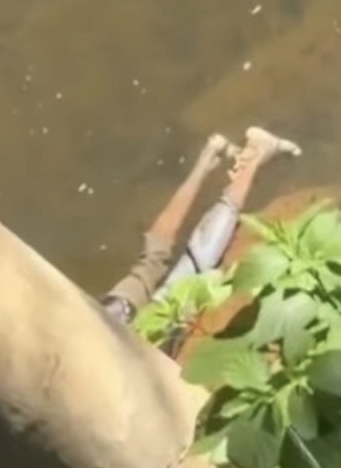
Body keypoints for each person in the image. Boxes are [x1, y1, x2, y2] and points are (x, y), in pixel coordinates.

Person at [102, 126, 302, 325]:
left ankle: (258, 152)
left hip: (126, 331)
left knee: (197, 264)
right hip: (111, 311)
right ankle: (209, 156)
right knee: (151, 259)